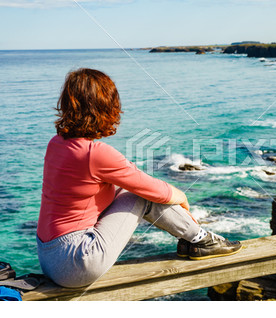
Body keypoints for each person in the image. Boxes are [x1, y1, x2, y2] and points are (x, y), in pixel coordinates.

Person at [36, 68, 242, 288]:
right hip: (77, 261)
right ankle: (200, 239)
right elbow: (151, 189)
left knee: (126, 191)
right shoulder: (94, 153)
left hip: (49, 258)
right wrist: (181, 196)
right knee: (140, 195)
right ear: (104, 107)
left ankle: (193, 239)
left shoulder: (56, 143)